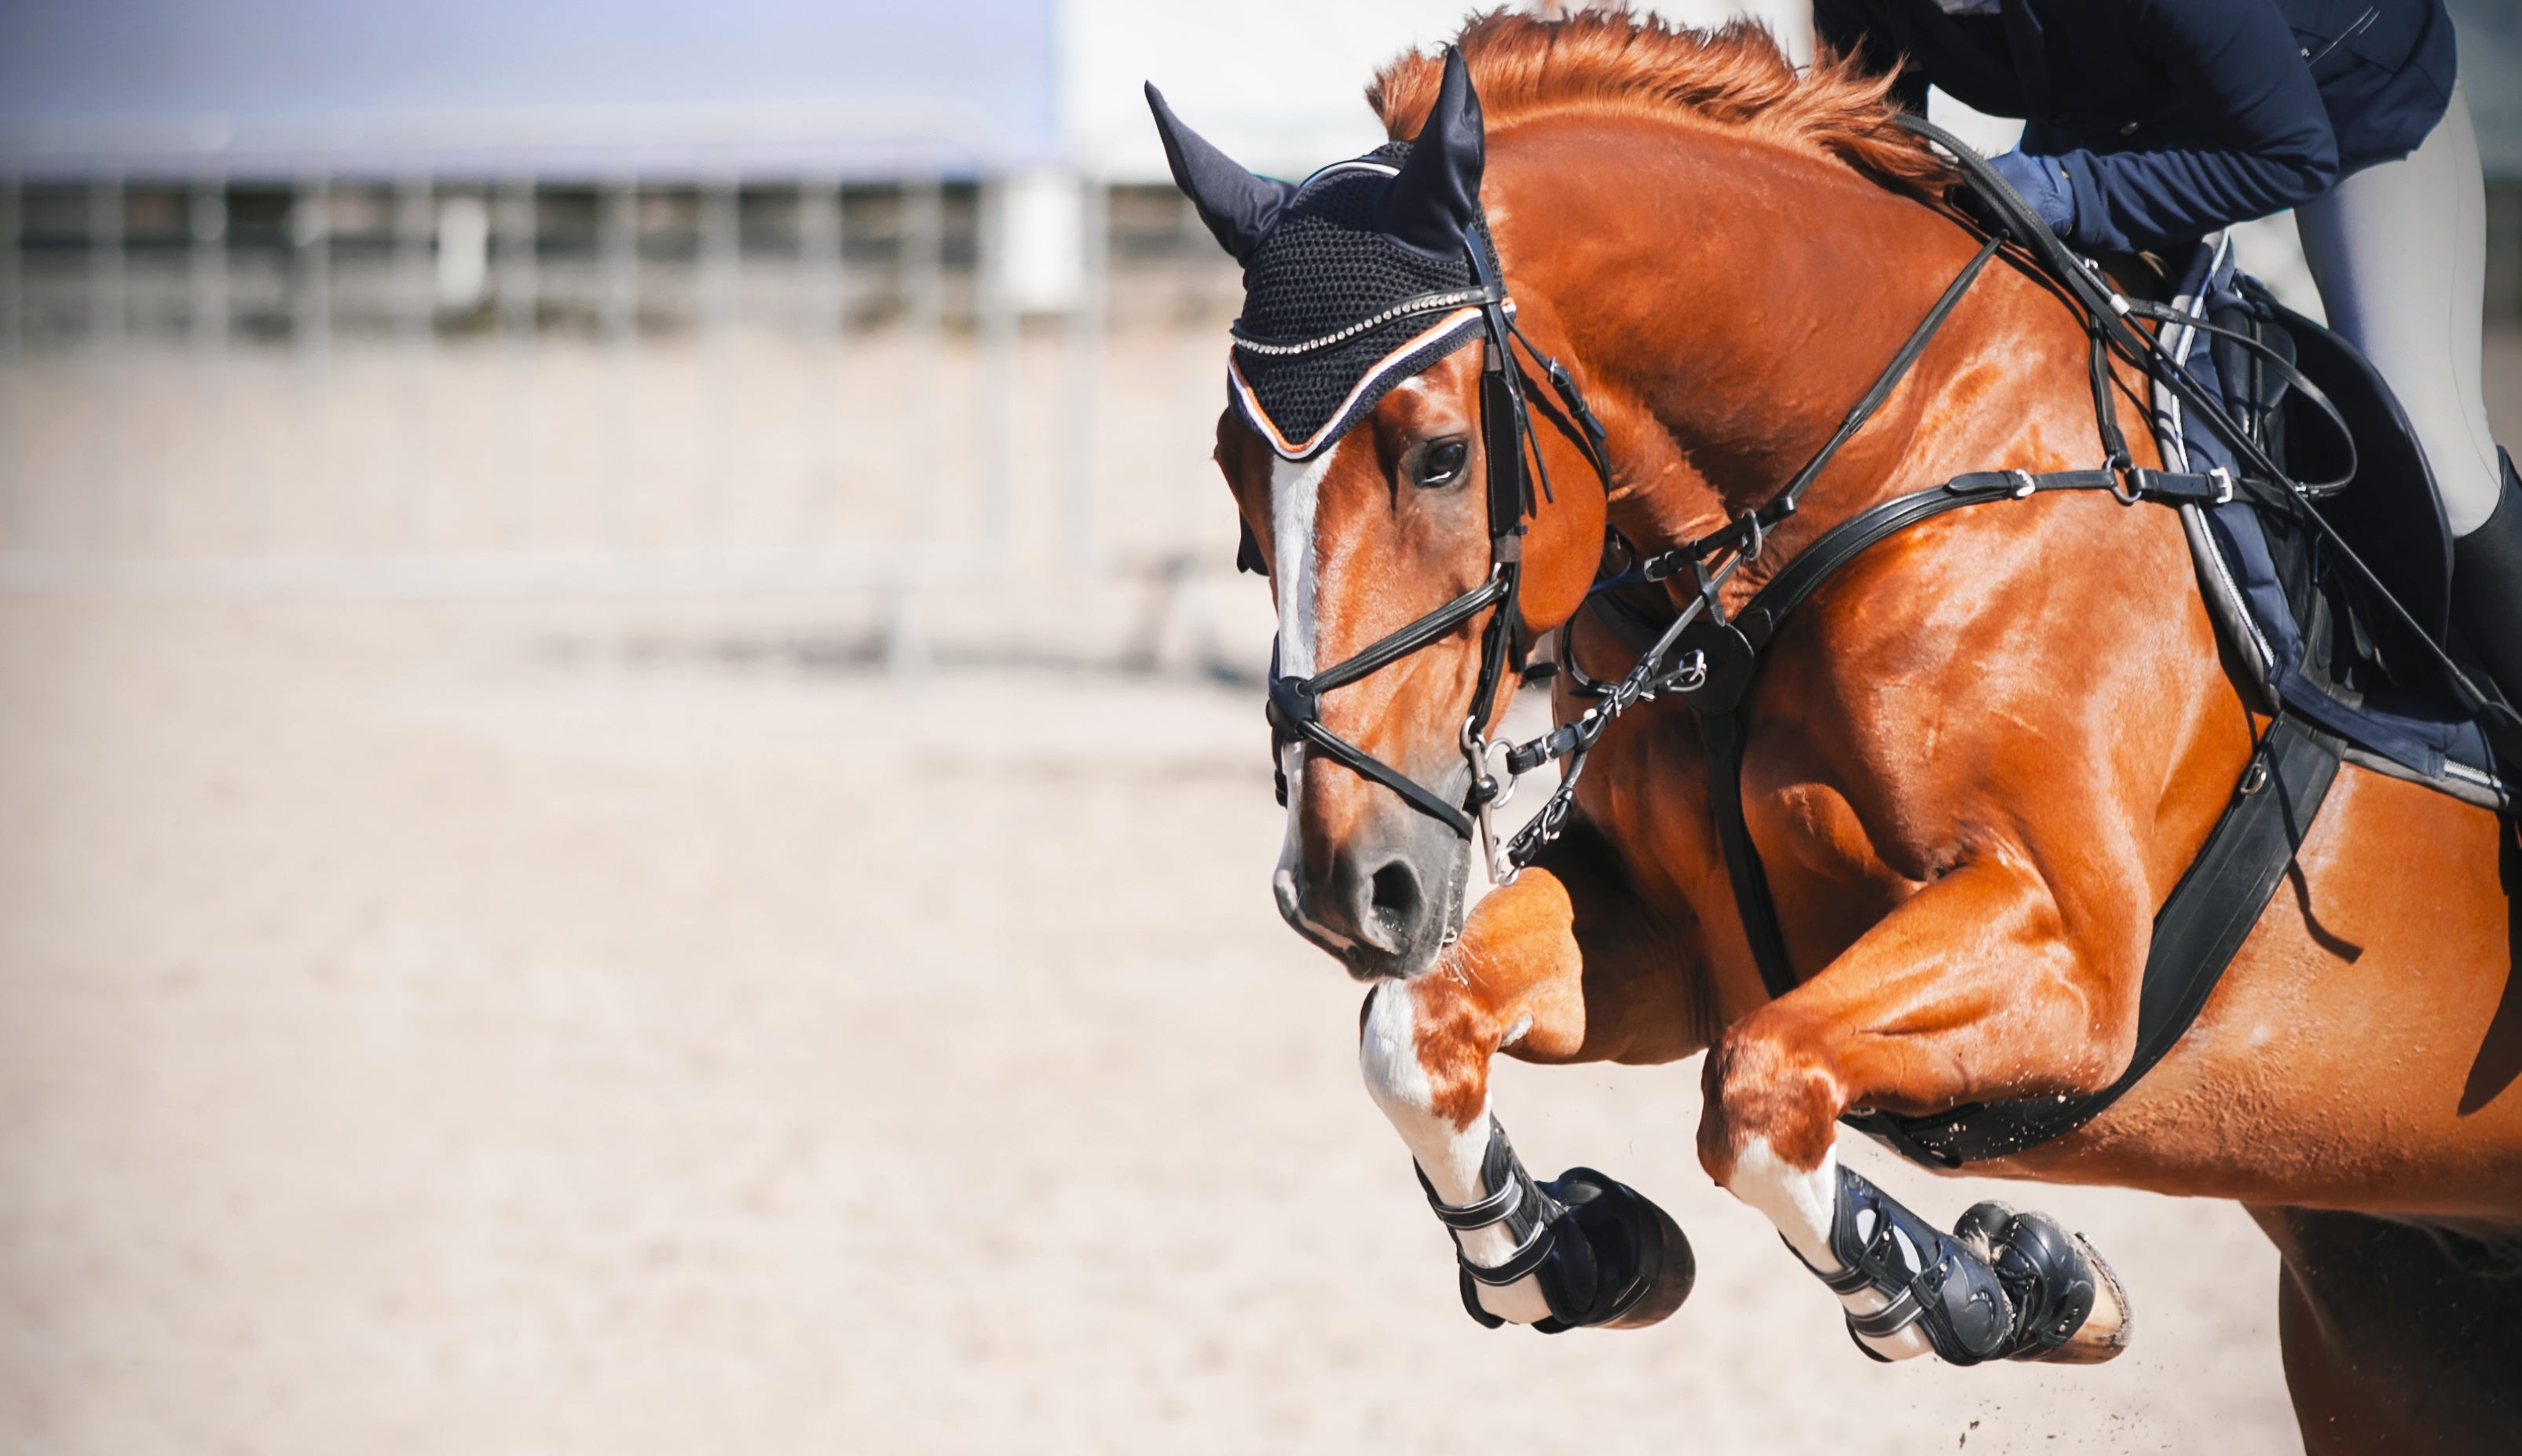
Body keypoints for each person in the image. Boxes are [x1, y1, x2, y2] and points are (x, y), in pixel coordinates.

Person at [1814, 0, 2520, 713]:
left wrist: (2066, 190)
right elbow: (1874, 158)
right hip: (2122, 115)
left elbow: (2290, 153)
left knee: (2435, 452)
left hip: (2339, 102)